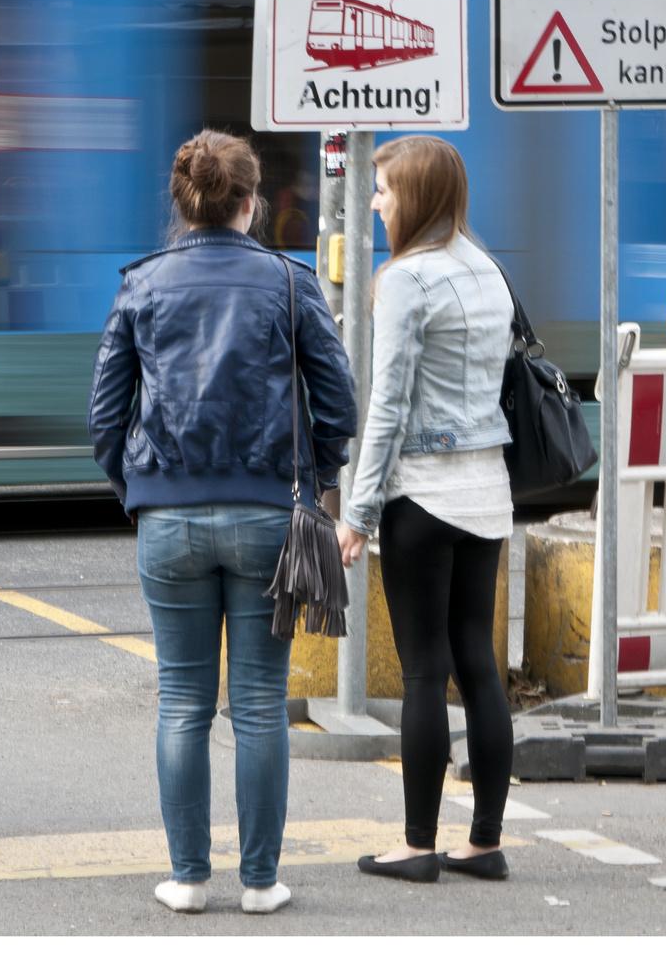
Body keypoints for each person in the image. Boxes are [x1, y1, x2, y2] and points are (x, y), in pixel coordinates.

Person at [89, 130, 356, 914]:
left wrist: (136, 487)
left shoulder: (141, 285)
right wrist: (320, 477)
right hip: (269, 513)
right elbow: (336, 402)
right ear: (251, 201)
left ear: (182, 203)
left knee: (181, 701)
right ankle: (261, 881)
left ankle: (187, 877)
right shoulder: (287, 281)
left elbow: (106, 416)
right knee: (259, 702)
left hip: (166, 517)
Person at [336, 135, 516, 883]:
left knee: (421, 673)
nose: (374, 203)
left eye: (382, 190)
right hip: (487, 492)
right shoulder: (487, 269)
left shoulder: (405, 279)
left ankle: (415, 844)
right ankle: (483, 841)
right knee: (477, 663)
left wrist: (358, 509)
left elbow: (386, 405)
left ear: (413, 196)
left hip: (423, 495)